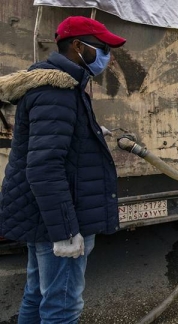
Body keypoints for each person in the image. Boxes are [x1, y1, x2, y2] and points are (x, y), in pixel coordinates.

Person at [0, 16, 125, 323]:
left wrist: (89, 131)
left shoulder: (59, 86)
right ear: (78, 46)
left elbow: (52, 143)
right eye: (103, 48)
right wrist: (67, 232)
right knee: (62, 306)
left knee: (38, 292)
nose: (108, 57)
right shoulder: (57, 91)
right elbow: (44, 166)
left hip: (43, 215)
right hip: (59, 220)